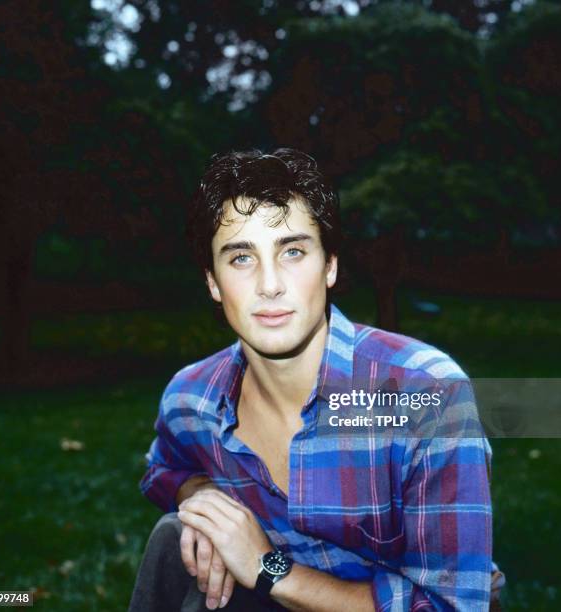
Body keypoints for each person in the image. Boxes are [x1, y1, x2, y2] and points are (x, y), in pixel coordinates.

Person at [128, 148, 505, 611]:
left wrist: (269, 568)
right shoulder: (192, 397)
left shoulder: (426, 393)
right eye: (241, 258)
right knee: (178, 534)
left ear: (329, 266)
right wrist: (205, 498)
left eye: (292, 251)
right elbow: (163, 470)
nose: (270, 284)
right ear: (212, 282)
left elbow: (452, 606)